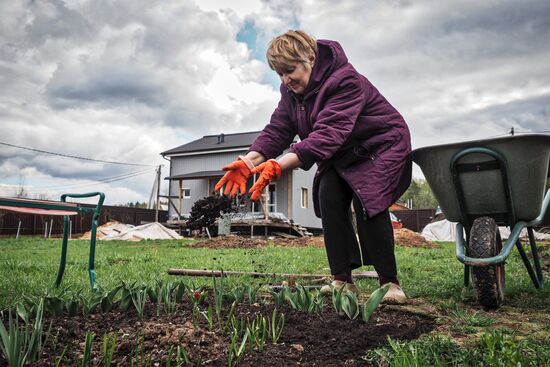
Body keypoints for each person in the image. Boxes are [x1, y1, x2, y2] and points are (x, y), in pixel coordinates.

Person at [215, 30, 411, 303]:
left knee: (369, 198)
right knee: (328, 194)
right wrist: (249, 161)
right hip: (342, 151)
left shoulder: (345, 80)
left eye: (290, 70)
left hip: (380, 143)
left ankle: (389, 283)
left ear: (309, 58)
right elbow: (278, 129)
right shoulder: (291, 92)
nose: (285, 79)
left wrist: (278, 165)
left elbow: (327, 135)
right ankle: (342, 280)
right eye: (280, 73)